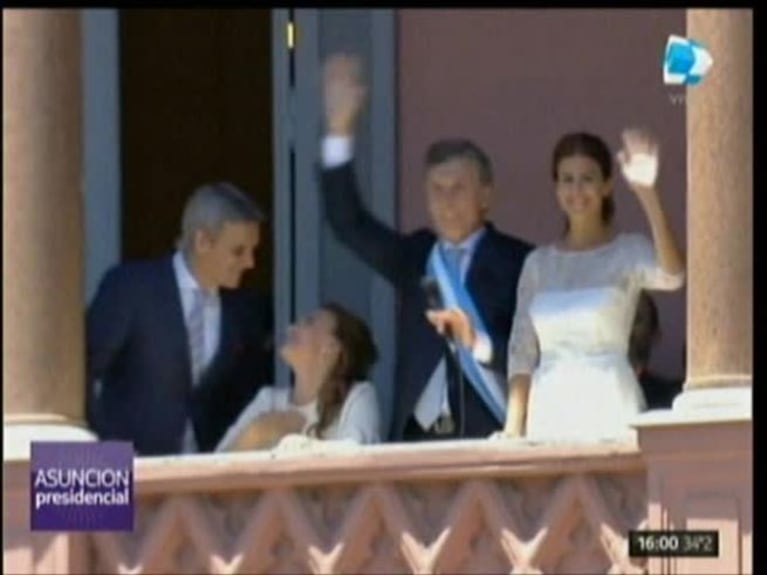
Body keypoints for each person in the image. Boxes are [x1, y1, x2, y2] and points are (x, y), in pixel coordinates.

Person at [320, 54, 533, 442]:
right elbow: (347, 224)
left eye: (458, 189)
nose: (446, 201)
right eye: (436, 190)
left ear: (485, 195)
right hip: (417, 437)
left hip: (491, 434)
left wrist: (480, 345)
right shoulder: (416, 257)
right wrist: (338, 129)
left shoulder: (520, 262)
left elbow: (533, 354)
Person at [503, 130, 685, 441]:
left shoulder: (627, 251)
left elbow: (673, 275)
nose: (577, 189)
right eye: (567, 179)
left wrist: (648, 194)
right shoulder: (538, 263)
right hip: (549, 408)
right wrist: (512, 429)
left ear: (607, 185)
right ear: (556, 187)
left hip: (609, 401)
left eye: (587, 178)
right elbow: (521, 353)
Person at [86, 182, 271, 455]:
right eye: (238, 251)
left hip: (200, 478)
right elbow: (79, 371)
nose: (250, 263)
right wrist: (100, 451)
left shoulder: (244, 311)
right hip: (122, 470)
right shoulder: (131, 288)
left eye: (253, 251)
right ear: (203, 241)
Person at [216, 303, 381, 451]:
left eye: (308, 322)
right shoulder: (268, 401)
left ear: (331, 347)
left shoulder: (358, 396)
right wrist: (257, 433)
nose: (290, 328)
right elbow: (215, 466)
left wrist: (296, 445)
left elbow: (357, 454)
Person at [629, 290, 683, 409]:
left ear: (656, 333)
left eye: (637, 319)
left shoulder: (673, 400)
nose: (629, 327)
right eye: (625, 319)